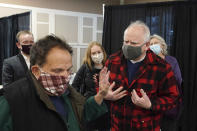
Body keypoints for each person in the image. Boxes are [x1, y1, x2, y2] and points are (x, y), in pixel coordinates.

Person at [0, 35, 120, 131]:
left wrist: (101, 94)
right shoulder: (11, 100)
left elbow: (83, 113)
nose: (65, 76)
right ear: (36, 71)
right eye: (58, 70)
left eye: (68, 70)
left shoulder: (67, 92)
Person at [105, 20, 180, 131]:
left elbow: (173, 98)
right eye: (126, 42)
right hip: (117, 127)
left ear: (147, 45)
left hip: (147, 127)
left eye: (134, 43)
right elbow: (100, 84)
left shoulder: (161, 67)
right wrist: (105, 94)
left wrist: (151, 104)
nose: (128, 46)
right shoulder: (113, 61)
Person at [72, 41, 109, 131]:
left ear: (103, 53)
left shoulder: (109, 67)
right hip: (89, 106)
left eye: (99, 52)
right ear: (90, 55)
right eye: (94, 53)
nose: (97, 55)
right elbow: (74, 86)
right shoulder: (85, 67)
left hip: (105, 108)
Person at [150, 34, 182, 131]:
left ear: (162, 45)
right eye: (151, 44)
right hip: (153, 103)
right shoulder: (148, 61)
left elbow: (178, 79)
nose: (153, 45)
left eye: (155, 43)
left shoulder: (172, 60)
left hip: (169, 102)